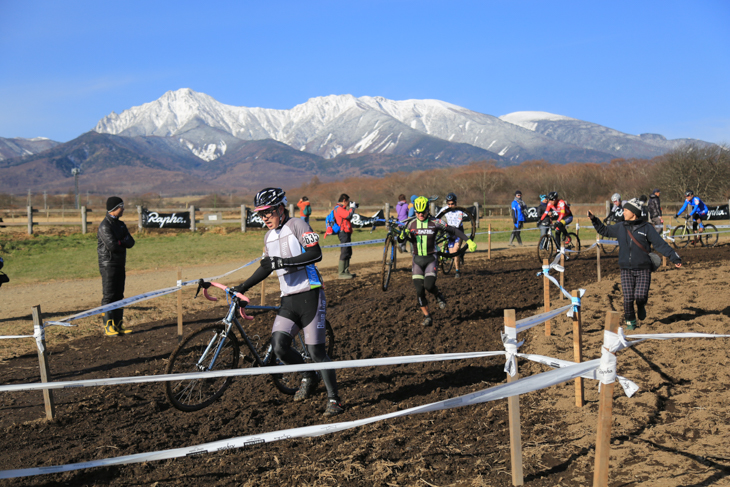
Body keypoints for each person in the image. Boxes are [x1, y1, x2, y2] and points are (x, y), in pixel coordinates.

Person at [231, 187, 344, 417]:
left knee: (316, 352)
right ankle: (308, 376)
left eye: (268, 212)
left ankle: (334, 399)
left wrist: (282, 262)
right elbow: (266, 267)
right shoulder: (268, 237)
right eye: (260, 214)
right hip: (288, 299)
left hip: (310, 294)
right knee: (280, 346)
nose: (264, 218)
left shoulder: (298, 225)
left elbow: (316, 253)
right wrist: (242, 287)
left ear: (281, 208)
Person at [588, 198, 681, 330]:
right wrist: (594, 219)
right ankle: (630, 322)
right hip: (625, 268)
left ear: (634, 213)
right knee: (628, 298)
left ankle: (641, 305)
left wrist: (674, 257)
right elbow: (604, 231)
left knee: (640, 296)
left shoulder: (647, 227)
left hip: (644, 268)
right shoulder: (620, 227)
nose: (623, 212)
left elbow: (660, 244)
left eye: (626, 210)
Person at [398, 196, 477, 327]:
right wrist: (401, 236)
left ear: (428, 210)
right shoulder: (410, 224)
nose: (420, 214)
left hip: (431, 259)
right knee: (419, 291)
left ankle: (438, 295)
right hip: (417, 260)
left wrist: (468, 240)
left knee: (428, 286)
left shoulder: (435, 222)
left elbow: (453, 230)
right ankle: (427, 316)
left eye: (423, 211)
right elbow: (401, 240)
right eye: (417, 212)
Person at [97, 196, 135, 336]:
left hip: (120, 264)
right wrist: (121, 241)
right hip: (108, 265)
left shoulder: (121, 224)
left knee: (119, 295)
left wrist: (121, 241)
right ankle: (108, 327)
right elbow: (112, 246)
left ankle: (119, 325)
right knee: (109, 296)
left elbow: (131, 242)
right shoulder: (105, 225)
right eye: (121, 206)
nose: (123, 209)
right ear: (114, 209)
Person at [436, 192, 468, 277]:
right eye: (449, 204)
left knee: (455, 251)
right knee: (452, 254)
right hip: (449, 231)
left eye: (452, 204)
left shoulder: (460, 210)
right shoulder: (445, 209)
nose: (450, 206)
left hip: (458, 232)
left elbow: (470, 215)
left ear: (456, 202)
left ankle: (457, 271)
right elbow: (436, 218)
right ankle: (460, 254)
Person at [334, 193, 356, 279]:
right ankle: (341, 273)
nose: (348, 203)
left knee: (348, 252)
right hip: (343, 233)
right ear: (344, 200)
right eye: (348, 201)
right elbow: (348, 215)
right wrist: (352, 208)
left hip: (346, 232)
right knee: (344, 251)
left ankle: (346, 271)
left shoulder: (341, 208)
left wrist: (351, 208)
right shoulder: (338, 209)